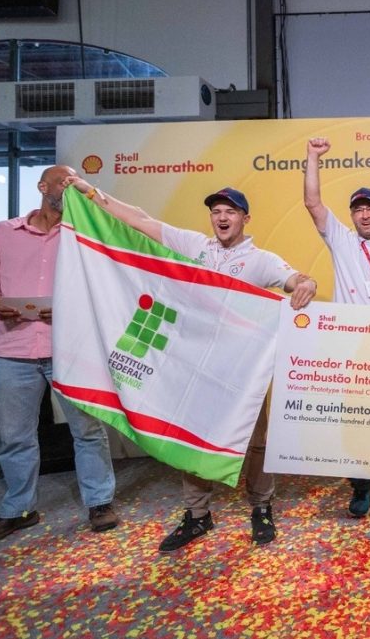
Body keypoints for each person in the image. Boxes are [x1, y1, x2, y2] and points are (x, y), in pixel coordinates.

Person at [65, 178, 317, 551]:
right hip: (197, 367)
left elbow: (295, 278)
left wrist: (307, 283)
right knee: (192, 436)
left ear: (245, 218)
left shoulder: (260, 259)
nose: (222, 217)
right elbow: (141, 220)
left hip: (243, 370)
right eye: (216, 211)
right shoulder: (195, 246)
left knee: (257, 442)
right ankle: (197, 514)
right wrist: (91, 193)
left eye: (230, 211)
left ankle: (261, 508)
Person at [0, 165, 119, 545]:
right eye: (63, 180)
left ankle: (100, 502)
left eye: (74, 181)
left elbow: (106, 282)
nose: (69, 185)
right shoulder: (2, 233)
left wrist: (70, 307)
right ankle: (19, 510)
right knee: (16, 438)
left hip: (72, 348)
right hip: (12, 351)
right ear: (42, 186)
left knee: (88, 431)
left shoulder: (84, 234)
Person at [304, 137, 370, 517]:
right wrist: (313, 156)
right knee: (356, 420)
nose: (364, 215)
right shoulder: (342, 241)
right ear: (351, 215)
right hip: (349, 348)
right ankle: (361, 485)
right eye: (358, 209)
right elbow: (313, 203)